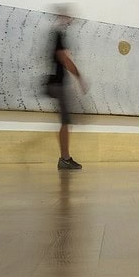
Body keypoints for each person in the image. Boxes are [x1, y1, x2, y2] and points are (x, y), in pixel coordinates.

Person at [48, 24, 87, 170]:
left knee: (65, 121)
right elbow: (64, 58)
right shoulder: (58, 35)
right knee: (65, 120)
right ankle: (64, 159)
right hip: (57, 85)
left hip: (56, 84)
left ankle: (64, 158)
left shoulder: (56, 35)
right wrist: (79, 77)